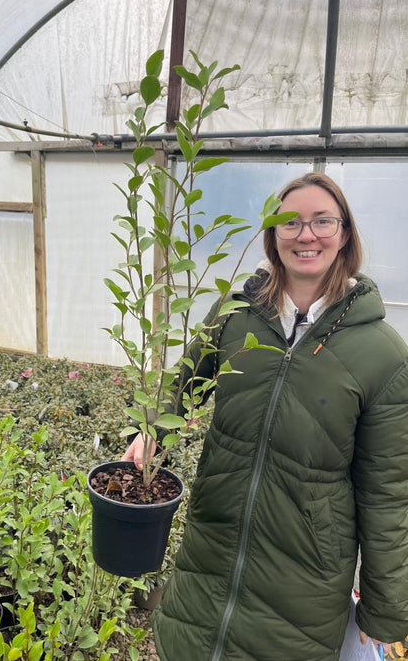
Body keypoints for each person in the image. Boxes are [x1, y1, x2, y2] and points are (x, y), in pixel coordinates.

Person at [122, 172, 408, 660]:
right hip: (212, 543)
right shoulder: (235, 312)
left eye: (322, 221)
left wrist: (385, 608)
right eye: (289, 222)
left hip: (304, 578)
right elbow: (184, 383)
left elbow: (388, 491)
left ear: (344, 234)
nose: (306, 234)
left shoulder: (381, 353)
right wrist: (149, 432)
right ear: (273, 236)